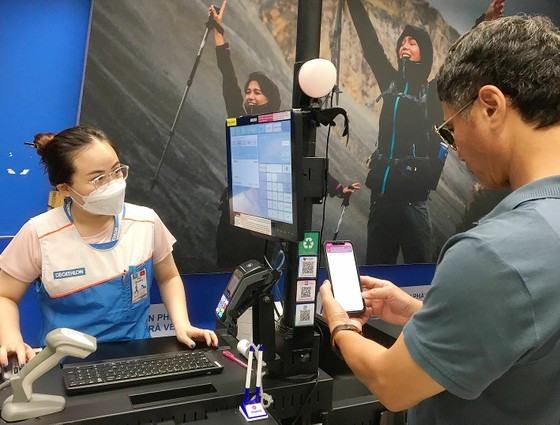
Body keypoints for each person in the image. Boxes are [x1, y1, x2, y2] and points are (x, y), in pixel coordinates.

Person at [320, 14, 560, 424]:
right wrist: (419, 312)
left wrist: (338, 323)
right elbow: (522, 336)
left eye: (449, 130)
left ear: (490, 106)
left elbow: (391, 384)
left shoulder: (492, 254)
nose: (455, 148)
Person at [0, 126, 218, 368]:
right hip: (63, 364)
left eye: (116, 171)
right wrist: (11, 340)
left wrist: (182, 324)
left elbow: (168, 277)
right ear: (65, 188)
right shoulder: (39, 234)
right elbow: (4, 295)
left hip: (136, 357)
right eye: (98, 179)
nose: (113, 184)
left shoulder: (145, 221)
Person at [347, 0, 505, 265]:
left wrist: (484, 21)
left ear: (424, 53)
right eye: (402, 42)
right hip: (382, 199)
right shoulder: (390, 80)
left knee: (419, 279)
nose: (404, 46)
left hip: (414, 204)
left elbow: (460, 57)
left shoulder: (433, 92)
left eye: (412, 42)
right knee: (376, 276)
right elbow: (369, 39)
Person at [209, 1, 359, 270]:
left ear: (270, 97)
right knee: (227, 275)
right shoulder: (240, 120)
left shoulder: (282, 128)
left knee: (258, 279)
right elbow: (228, 79)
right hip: (234, 219)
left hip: (266, 224)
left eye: (257, 92)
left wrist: (339, 189)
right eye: (248, 91)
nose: (250, 96)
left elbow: (303, 163)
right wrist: (218, 33)